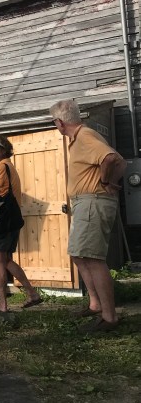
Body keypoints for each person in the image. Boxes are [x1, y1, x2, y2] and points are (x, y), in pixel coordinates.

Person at [50, 99, 126, 332]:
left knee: (92, 258)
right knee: (79, 254)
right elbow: (121, 162)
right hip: (86, 203)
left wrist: (106, 182)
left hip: (92, 201)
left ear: (60, 122)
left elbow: (111, 158)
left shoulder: (85, 136)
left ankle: (109, 317)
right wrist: (111, 182)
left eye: (54, 122)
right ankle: (95, 304)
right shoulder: (81, 138)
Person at [0, 136, 43, 313]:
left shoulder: (0, 167)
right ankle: (32, 293)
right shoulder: (9, 166)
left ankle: (3, 304)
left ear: (4, 150)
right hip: (10, 220)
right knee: (6, 259)